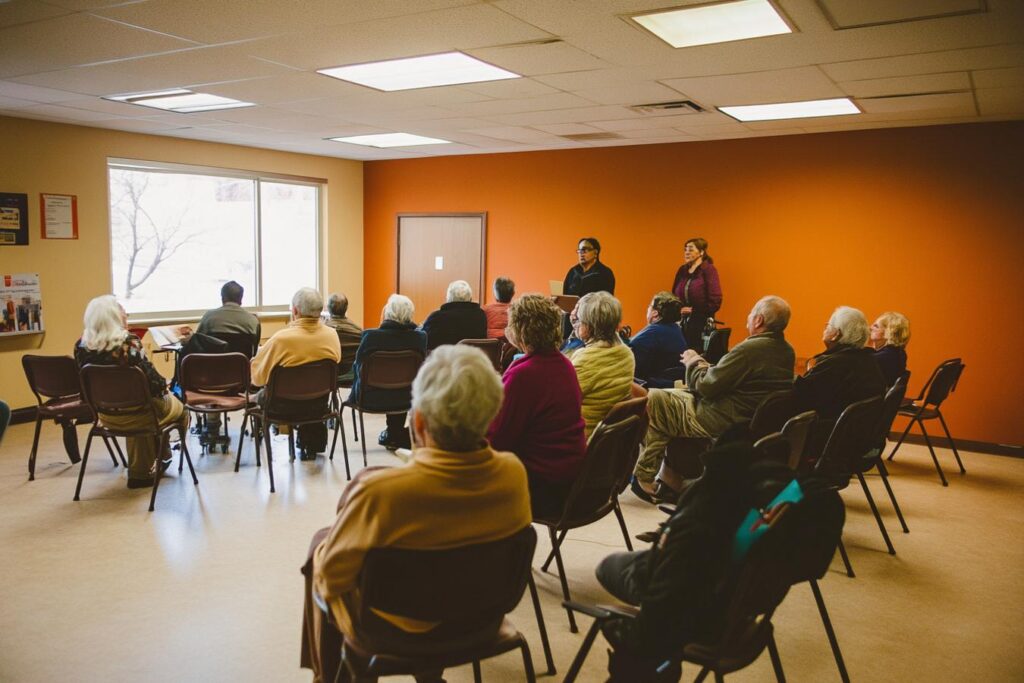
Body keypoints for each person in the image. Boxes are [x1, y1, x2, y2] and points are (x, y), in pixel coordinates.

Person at [301, 345, 531, 683]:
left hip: (393, 628)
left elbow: (332, 580)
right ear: (492, 413)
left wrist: (322, 553)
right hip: (479, 618)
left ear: (419, 420)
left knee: (320, 550)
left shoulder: (382, 493)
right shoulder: (514, 474)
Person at [632, 296, 795, 500]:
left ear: (759, 320)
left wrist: (693, 362)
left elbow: (706, 386)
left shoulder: (751, 349)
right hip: (746, 417)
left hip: (721, 418)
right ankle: (668, 476)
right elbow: (724, 378)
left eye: (752, 312)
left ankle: (645, 476)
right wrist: (701, 365)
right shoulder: (786, 351)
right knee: (666, 399)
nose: (748, 315)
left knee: (655, 399)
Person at [487, 295, 587, 519]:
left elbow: (498, 440)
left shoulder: (525, 375)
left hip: (543, 484)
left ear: (519, 329)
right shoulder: (565, 365)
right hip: (569, 476)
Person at [74, 295, 187, 488]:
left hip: (105, 415)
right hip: (141, 414)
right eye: (123, 311)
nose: (126, 314)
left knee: (135, 405)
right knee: (180, 409)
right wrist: (165, 384)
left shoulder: (81, 346)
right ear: (114, 317)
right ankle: (162, 455)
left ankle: (148, 466)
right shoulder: (129, 343)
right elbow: (154, 385)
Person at [250, 288, 340, 460]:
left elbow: (258, 378)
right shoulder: (332, 336)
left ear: (295, 311)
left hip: (281, 408)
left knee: (257, 396)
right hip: (319, 406)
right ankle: (310, 444)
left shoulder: (281, 339)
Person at [794, 306, 887, 461]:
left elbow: (800, 397)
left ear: (836, 334)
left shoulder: (837, 363)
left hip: (828, 441)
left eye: (828, 326)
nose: (825, 329)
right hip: (856, 440)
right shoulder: (868, 360)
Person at [349, 294, 427, 451]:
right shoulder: (420, 338)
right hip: (407, 398)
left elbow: (357, 368)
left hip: (371, 398)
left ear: (387, 313)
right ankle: (394, 434)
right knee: (398, 384)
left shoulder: (370, 336)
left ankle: (393, 434)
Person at [193, 280, 261, 434]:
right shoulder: (252, 321)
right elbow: (254, 353)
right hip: (240, 381)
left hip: (209, 380)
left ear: (222, 298)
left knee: (214, 373)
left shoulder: (208, 318)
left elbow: (199, 345)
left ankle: (212, 423)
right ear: (241, 299)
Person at [571, 292, 635, 438]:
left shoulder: (586, 360)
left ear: (589, 326)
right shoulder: (626, 354)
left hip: (582, 438)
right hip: (608, 441)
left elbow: (559, 405)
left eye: (579, 320)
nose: (576, 323)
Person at [671, 237, 722, 351]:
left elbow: (715, 300)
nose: (686, 252)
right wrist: (678, 309)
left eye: (690, 249)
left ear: (701, 252)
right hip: (680, 323)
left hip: (700, 324)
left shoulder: (709, 270)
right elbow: (673, 295)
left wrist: (693, 311)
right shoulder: (682, 270)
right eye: (685, 250)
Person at [629, 291, 688, 386]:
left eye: (649, 306)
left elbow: (629, 348)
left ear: (655, 313)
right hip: (674, 382)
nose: (647, 308)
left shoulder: (653, 331)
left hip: (655, 384)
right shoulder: (676, 329)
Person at [420, 280, 487, 350]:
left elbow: (424, 342)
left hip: (445, 360)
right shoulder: (481, 315)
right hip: (472, 359)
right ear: (470, 298)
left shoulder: (436, 317)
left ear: (448, 298)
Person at [325, 292, 363, 382]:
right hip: (351, 374)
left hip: (327, 375)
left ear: (328, 309)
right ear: (346, 308)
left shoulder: (322, 332)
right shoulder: (359, 331)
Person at [869, 311, 911, 387]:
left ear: (889, 332)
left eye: (876, 326)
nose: (870, 327)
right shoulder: (899, 353)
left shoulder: (882, 358)